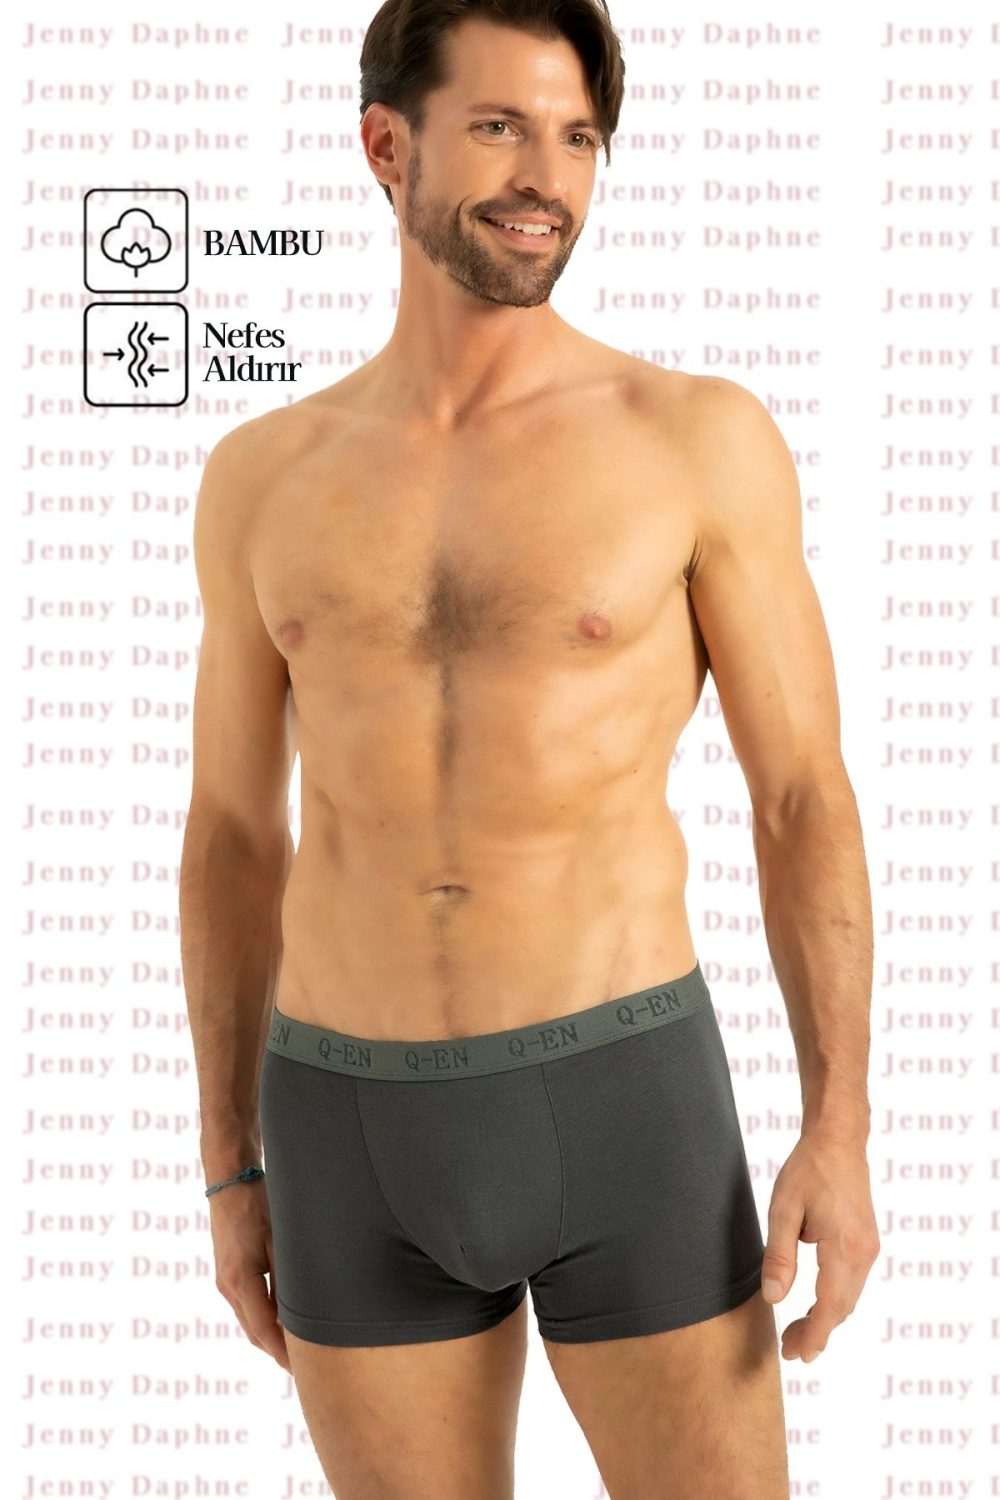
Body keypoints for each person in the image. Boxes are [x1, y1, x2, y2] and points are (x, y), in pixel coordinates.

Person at [179, 2, 878, 1495]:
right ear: (387, 145)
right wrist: (229, 1162)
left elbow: (801, 795)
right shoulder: (262, 477)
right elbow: (233, 834)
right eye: (498, 127)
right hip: (341, 1121)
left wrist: (840, 1123)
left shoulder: (692, 439)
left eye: (576, 138)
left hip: (622, 1099)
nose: (545, 178)